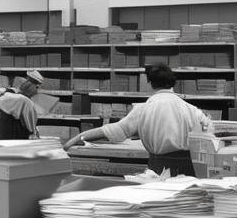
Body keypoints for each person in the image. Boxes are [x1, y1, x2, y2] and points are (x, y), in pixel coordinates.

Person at [65, 64, 211, 176]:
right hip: (189, 169)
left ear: (149, 83)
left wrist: (79, 137)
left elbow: (113, 131)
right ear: (173, 83)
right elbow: (209, 133)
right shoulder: (191, 109)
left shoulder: (143, 109)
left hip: (160, 169)